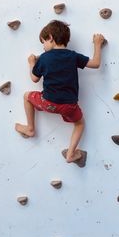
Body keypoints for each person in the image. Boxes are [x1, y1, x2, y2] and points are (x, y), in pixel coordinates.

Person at [15, 20, 105, 163]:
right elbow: (96, 63)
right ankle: (70, 154)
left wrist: (32, 63)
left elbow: (34, 78)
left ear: (50, 38)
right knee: (80, 124)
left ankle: (30, 128)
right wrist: (97, 44)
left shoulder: (44, 58)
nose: (43, 47)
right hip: (69, 106)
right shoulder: (73, 56)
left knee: (27, 96)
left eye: (43, 42)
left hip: (48, 103)